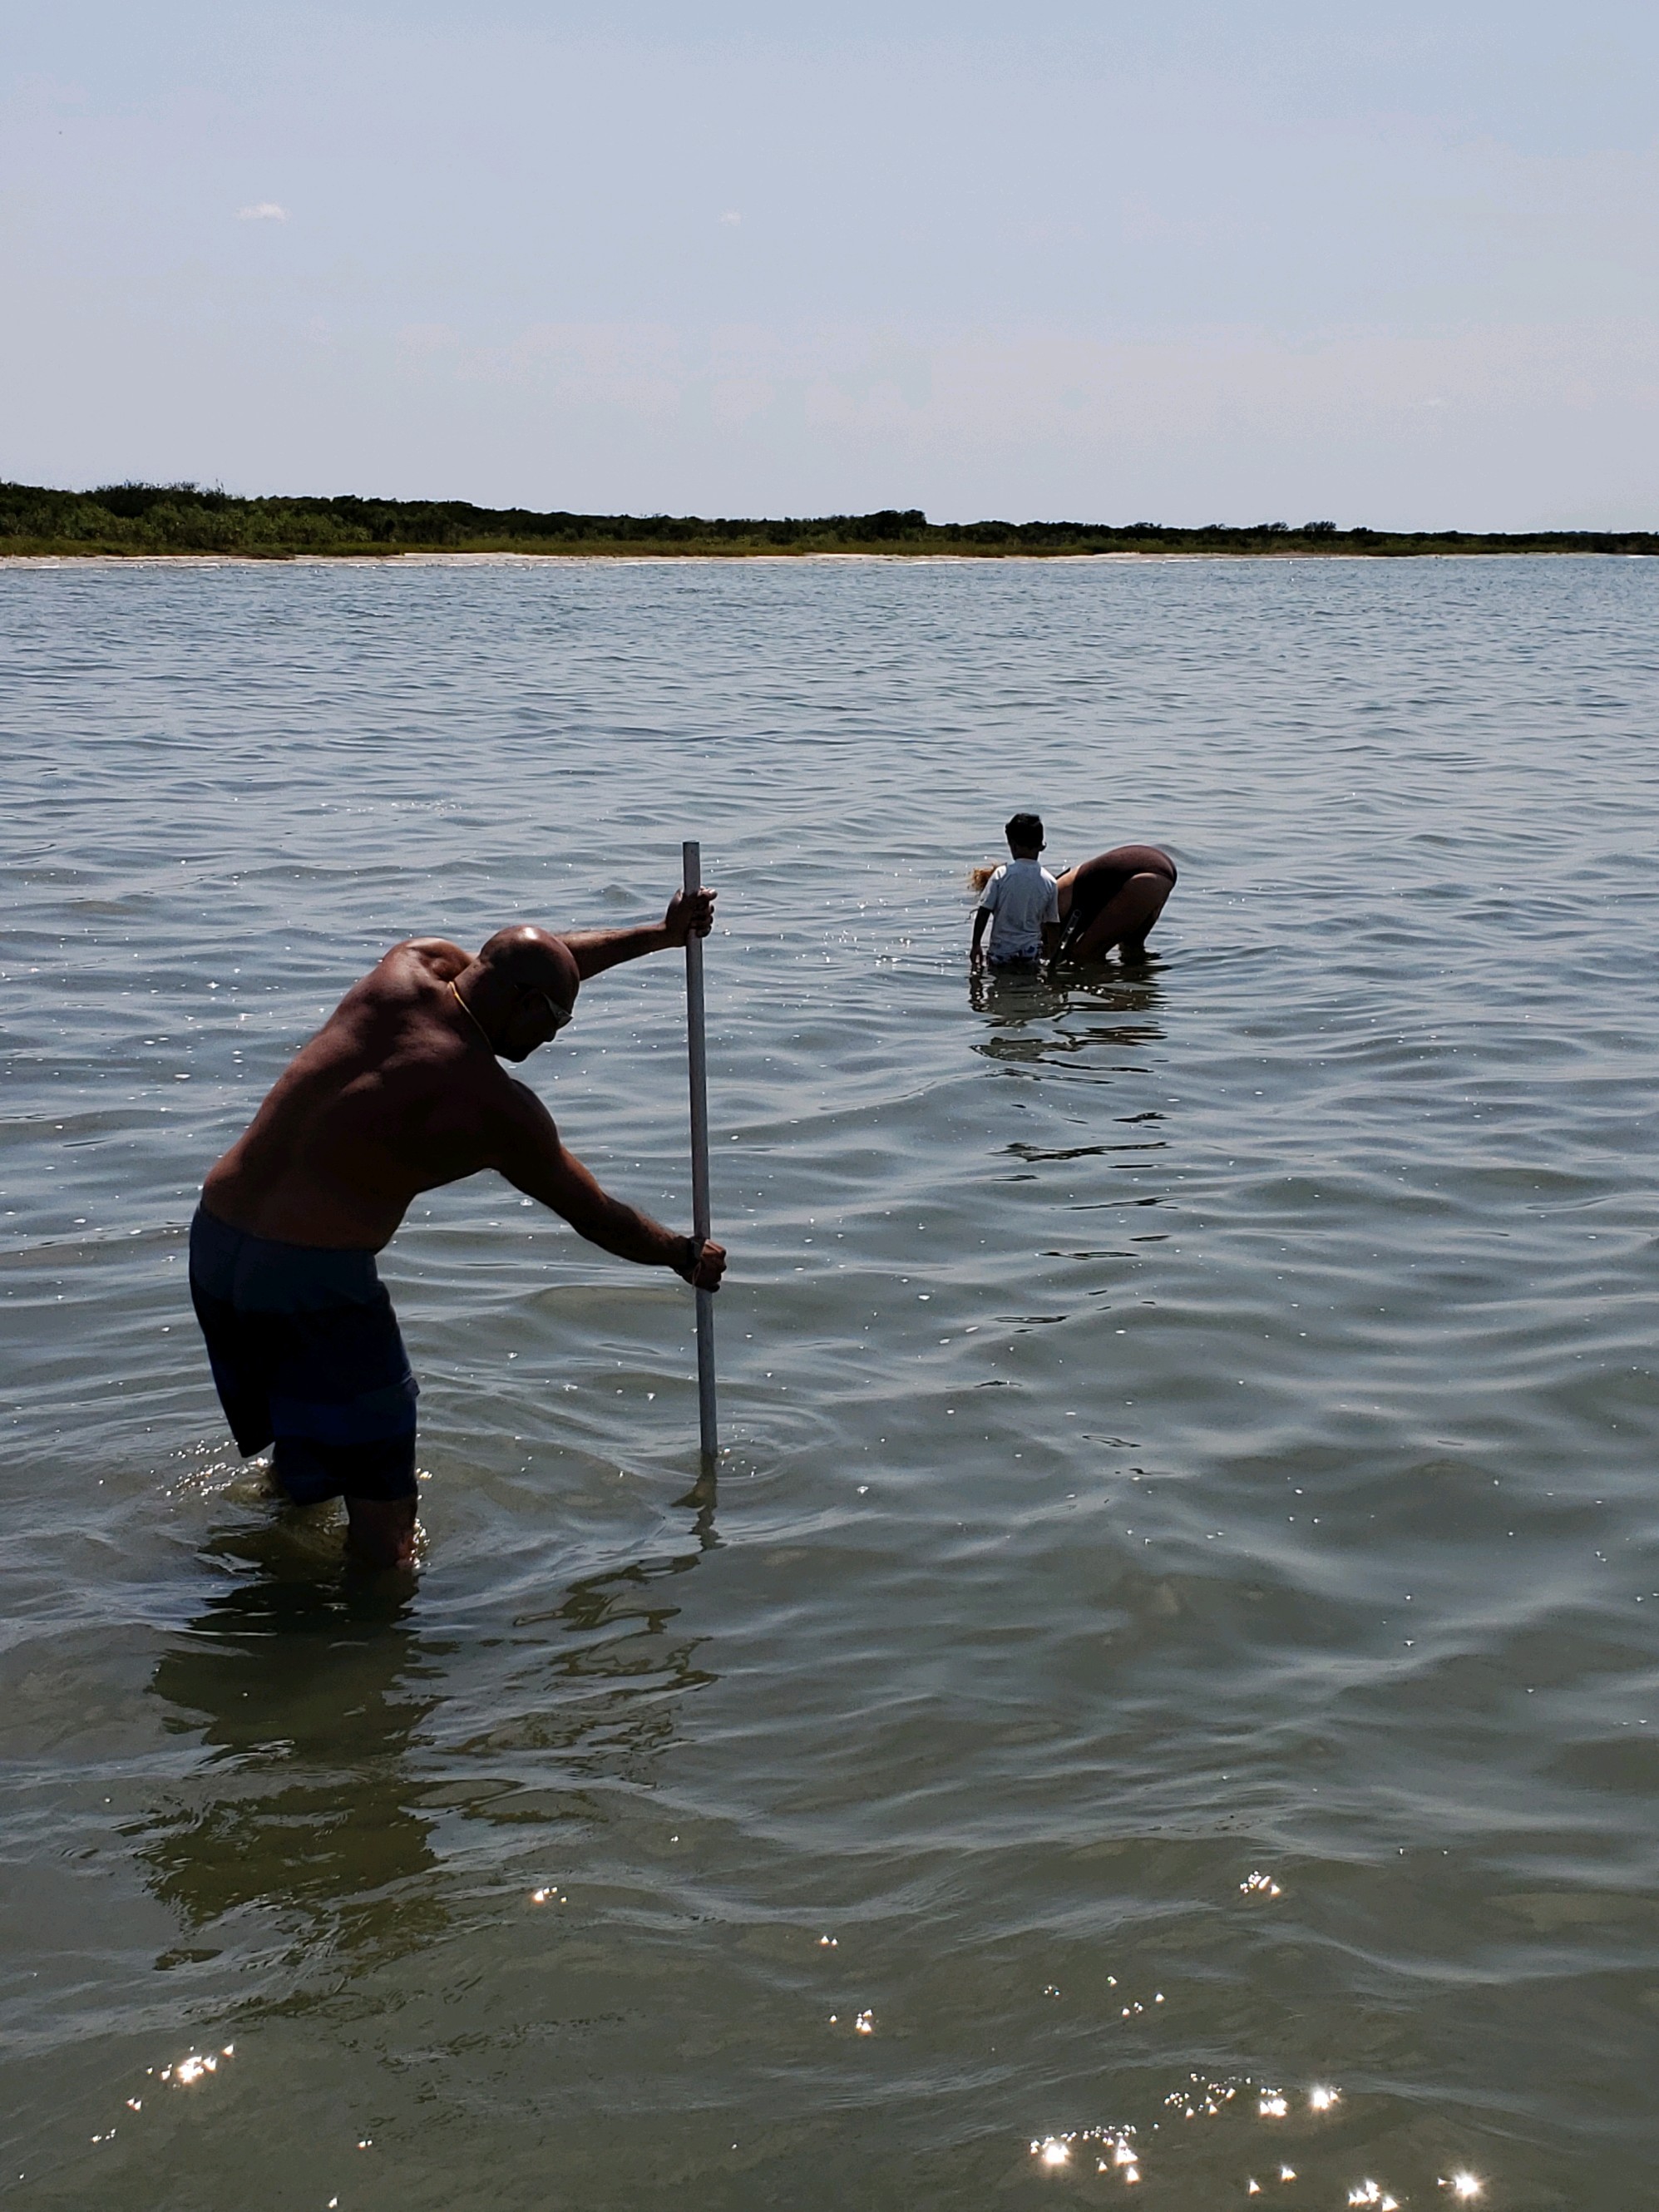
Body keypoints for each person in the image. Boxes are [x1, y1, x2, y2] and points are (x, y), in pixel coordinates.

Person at [188, 886, 727, 1572]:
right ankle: (368, 1651)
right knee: (386, 1530)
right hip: (313, 1284)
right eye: (555, 1023)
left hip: (217, 1243)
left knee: (308, 1448)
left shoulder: (409, 968)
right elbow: (594, 1215)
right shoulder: (492, 1108)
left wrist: (659, 935)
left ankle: (264, 1559)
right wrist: (681, 1254)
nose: (554, 1037)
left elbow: (528, 962)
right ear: (527, 1007)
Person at [1054, 844, 1177, 962]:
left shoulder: (1047, 909)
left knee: (1085, 955)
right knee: (1132, 948)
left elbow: (1053, 946)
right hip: (1156, 863)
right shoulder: (1053, 889)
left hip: (1142, 878)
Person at [970, 812, 1061, 969]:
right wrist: (1054, 953)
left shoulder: (1001, 874)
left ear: (1013, 845)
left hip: (1001, 952)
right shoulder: (1050, 882)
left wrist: (976, 944)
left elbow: (984, 911)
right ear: (1041, 846)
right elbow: (1052, 923)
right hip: (1030, 953)